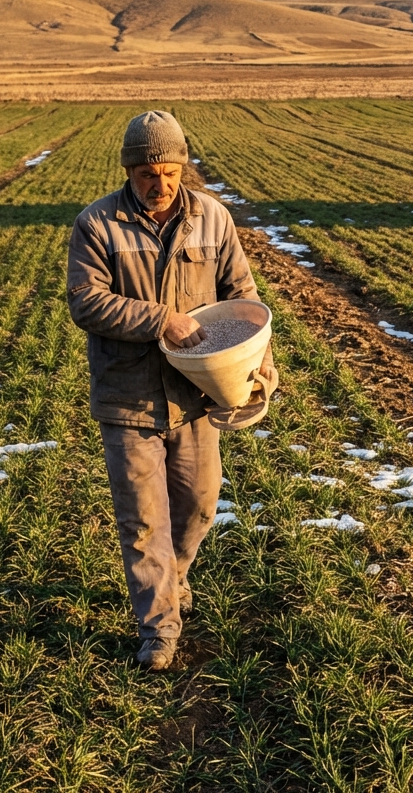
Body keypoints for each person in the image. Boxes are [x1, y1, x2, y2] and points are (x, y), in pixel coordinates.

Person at [66, 110, 273, 670]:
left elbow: (242, 295)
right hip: (127, 395)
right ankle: (159, 629)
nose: (159, 186)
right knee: (142, 520)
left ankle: (173, 578)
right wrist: (162, 319)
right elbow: (86, 301)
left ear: (183, 168)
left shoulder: (213, 219)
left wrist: (261, 364)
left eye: (170, 173)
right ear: (129, 171)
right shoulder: (97, 224)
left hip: (195, 394)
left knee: (201, 507)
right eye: (146, 174)